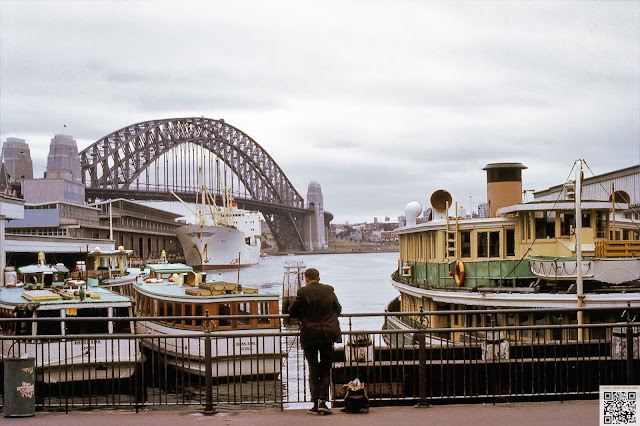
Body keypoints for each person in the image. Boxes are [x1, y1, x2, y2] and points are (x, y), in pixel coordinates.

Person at [288, 268, 342, 415]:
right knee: (326, 367)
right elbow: (339, 309)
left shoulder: (302, 292)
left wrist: (304, 316)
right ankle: (323, 401)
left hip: (310, 334)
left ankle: (314, 403)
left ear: (306, 279)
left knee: (313, 368)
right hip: (327, 334)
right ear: (319, 278)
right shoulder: (329, 290)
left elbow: (291, 311)